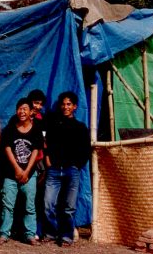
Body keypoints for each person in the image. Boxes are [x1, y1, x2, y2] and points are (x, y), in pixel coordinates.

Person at [43, 91, 90, 247]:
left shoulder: (81, 127)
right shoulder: (54, 124)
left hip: (72, 170)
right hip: (54, 170)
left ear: (75, 106)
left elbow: (85, 150)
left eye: (69, 104)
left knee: (69, 206)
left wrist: (77, 164)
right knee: (49, 204)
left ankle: (66, 237)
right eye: (63, 104)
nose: (65, 107)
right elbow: (46, 143)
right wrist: (48, 160)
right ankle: (51, 232)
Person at [0, 98, 44, 246]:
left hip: (29, 174)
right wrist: (17, 169)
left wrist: (27, 171)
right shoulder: (10, 128)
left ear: (31, 112)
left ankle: (29, 234)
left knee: (30, 206)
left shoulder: (36, 130)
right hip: (11, 174)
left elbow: (36, 151)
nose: (22, 111)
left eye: (25, 109)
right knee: (7, 205)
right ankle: (4, 234)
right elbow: (7, 149)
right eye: (19, 108)